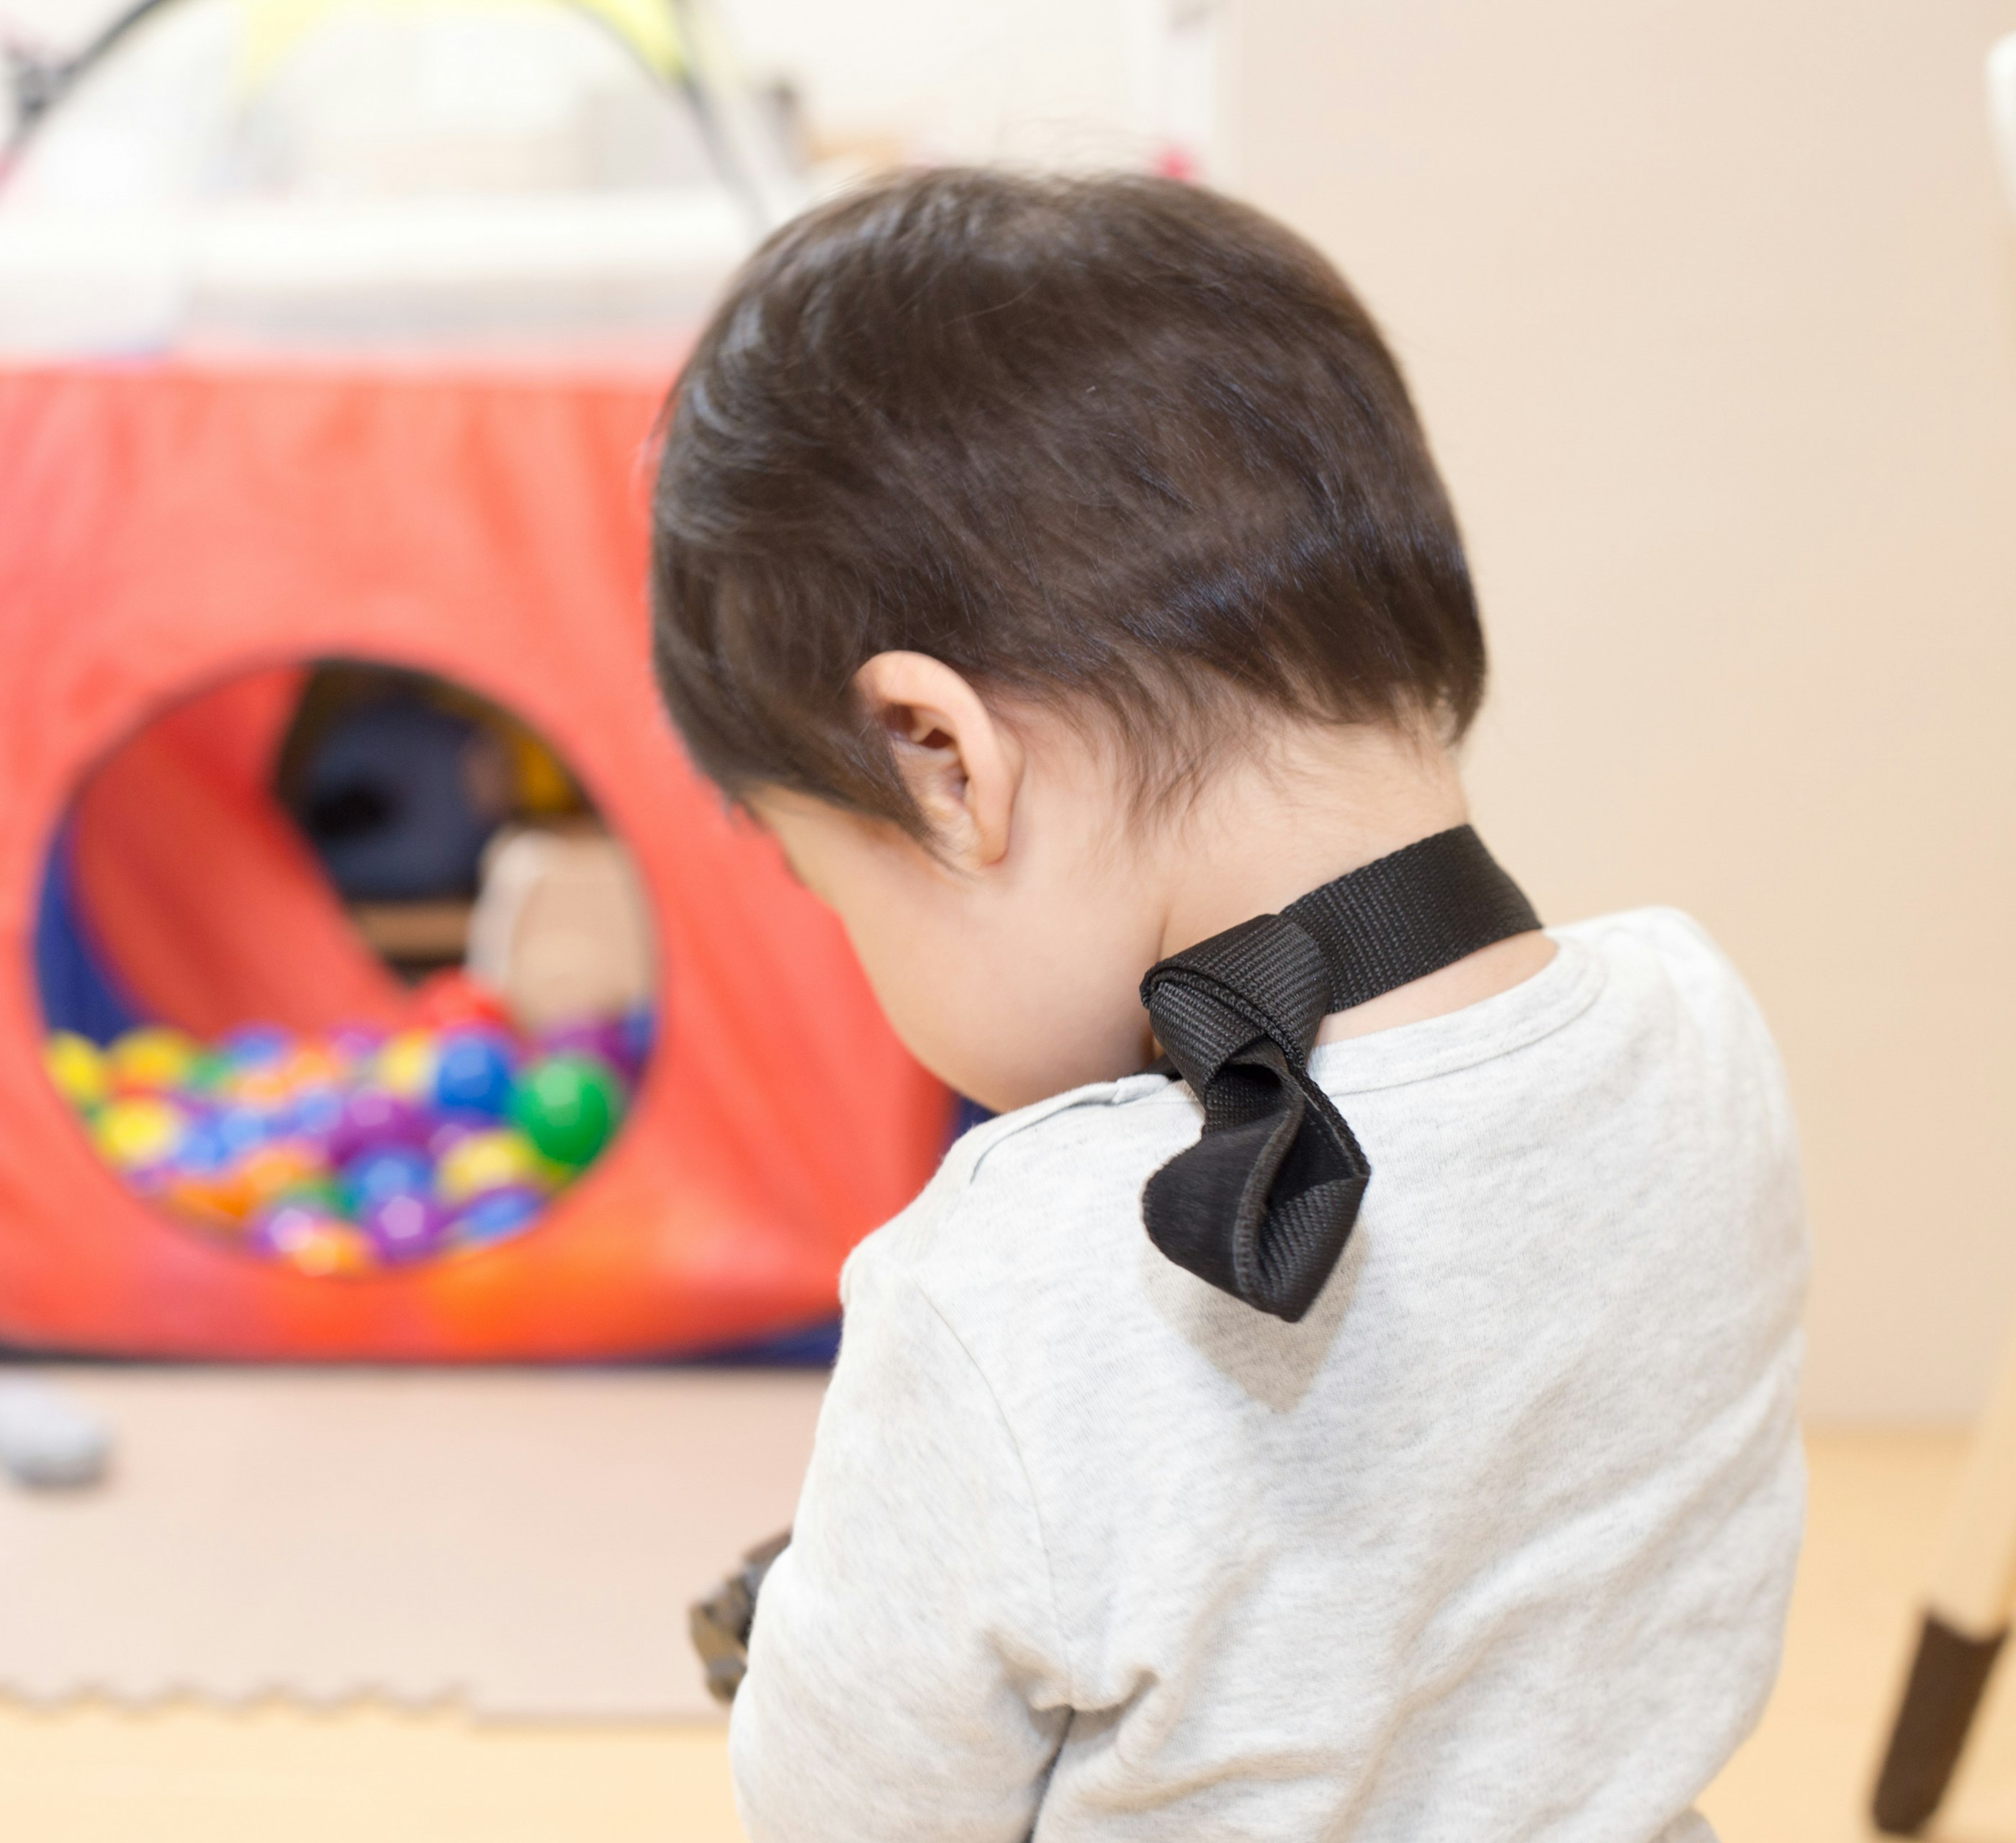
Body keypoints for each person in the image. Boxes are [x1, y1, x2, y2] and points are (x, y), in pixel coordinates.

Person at [649, 168, 1804, 1842]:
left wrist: (821, 1622)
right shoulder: (1703, 1028)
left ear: (942, 761)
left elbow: (855, 1810)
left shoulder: (1004, 1273)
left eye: (837, 893)